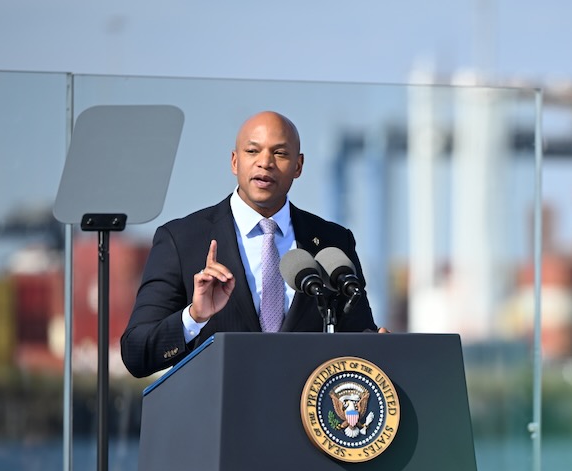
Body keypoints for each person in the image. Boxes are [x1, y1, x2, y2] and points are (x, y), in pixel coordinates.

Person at [121, 110, 383, 379]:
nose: (265, 162)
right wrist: (194, 317)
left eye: (280, 153)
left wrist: (380, 346)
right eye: (252, 151)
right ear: (235, 161)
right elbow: (136, 353)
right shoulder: (182, 240)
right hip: (218, 416)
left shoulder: (332, 242)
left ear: (298, 166)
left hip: (305, 415)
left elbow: (359, 334)